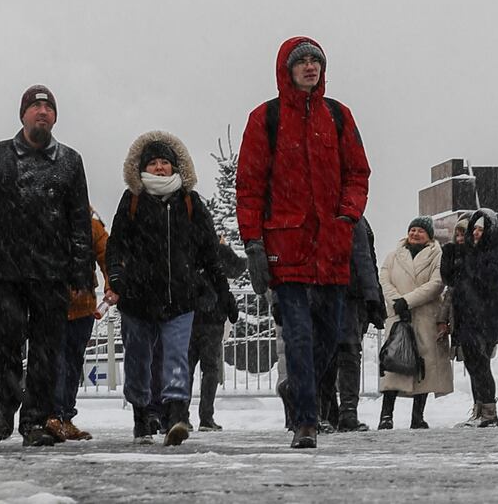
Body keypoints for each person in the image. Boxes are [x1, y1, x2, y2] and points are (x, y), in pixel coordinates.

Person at [235, 37, 371, 449]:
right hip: (286, 243)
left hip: (331, 244)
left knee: (329, 335)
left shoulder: (338, 116)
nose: (310, 67)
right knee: (296, 334)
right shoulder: (266, 118)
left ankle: (297, 388)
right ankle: (306, 422)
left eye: (316, 61)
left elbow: (358, 172)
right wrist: (254, 242)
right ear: (287, 70)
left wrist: (347, 214)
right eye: (302, 62)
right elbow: (249, 185)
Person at [0, 85, 93, 447]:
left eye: (48, 107)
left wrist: (81, 271)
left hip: (52, 272)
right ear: (22, 115)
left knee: (45, 351)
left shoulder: (70, 161)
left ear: (54, 117)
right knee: (6, 343)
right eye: (35, 106)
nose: (42, 112)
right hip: (9, 270)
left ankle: (34, 420)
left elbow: (79, 220)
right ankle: (7, 404)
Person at [106, 131, 235, 447]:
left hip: (179, 298)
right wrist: (118, 278)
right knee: (138, 359)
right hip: (137, 299)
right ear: (142, 168)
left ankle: (177, 415)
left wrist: (223, 291)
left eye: (165, 162)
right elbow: (116, 245)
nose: (160, 168)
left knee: (177, 358)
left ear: (176, 167)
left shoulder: (189, 203)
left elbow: (209, 251)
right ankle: (142, 413)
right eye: (153, 162)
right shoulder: (133, 201)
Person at [375, 216, 450, 429]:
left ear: (429, 235)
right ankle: (386, 415)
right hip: (399, 318)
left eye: (420, 231)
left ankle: (418, 415)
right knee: (394, 364)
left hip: (425, 316)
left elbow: (436, 284)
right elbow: (385, 280)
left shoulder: (438, 256)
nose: (415, 233)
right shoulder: (393, 256)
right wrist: (396, 301)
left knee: (423, 366)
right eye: (412, 230)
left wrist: (407, 301)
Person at [446, 209, 498, 428]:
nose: (475, 233)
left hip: (487, 317)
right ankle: (479, 408)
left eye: (480, 230)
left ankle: (489, 412)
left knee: (482, 364)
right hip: (467, 316)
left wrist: (471, 262)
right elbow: (451, 278)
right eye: (474, 229)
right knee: (473, 365)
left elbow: (490, 280)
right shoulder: (465, 253)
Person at [321, 218, 383, 432]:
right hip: (336, 291)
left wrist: (373, 295)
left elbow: (367, 260)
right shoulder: (352, 219)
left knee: (343, 354)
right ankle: (332, 413)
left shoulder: (356, 220)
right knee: (337, 355)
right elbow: (365, 260)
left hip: (348, 295)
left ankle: (339, 413)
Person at [55, 209, 109, 441]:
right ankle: (57, 415)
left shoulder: (91, 226)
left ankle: (62, 416)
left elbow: (108, 255)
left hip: (79, 305)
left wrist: (112, 283)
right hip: (59, 305)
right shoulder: (89, 225)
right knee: (61, 362)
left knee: (69, 363)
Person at [189, 236, 249, 432]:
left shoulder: (190, 250)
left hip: (190, 318)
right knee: (211, 370)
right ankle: (206, 417)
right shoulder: (218, 251)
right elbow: (240, 267)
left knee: (185, 369)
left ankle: (179, 415)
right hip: (213, 321)